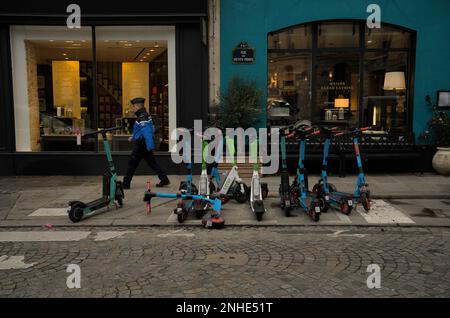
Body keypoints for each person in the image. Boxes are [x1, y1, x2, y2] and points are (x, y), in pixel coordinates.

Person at [122, 97, 170, 189]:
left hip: (142, 144)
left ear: (137, 106)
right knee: (152, 163)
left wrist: (149, 146)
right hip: (144, 143)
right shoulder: (145, 115)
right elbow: (143, 130)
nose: (133, 108)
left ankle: (125, 184)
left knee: (132, 163)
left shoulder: (142, 117)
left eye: (133, 106)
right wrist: (133, 137)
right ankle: (164, 179)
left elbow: (147, 133)